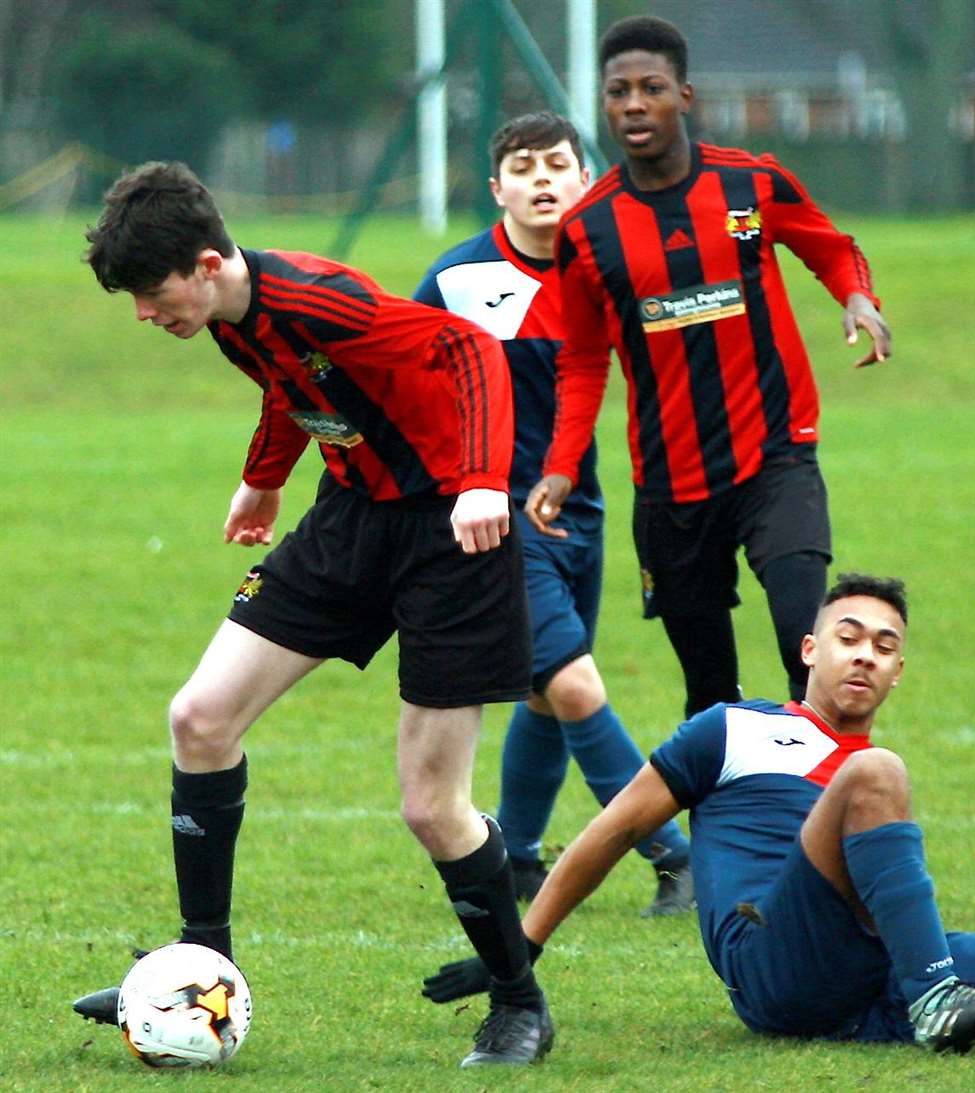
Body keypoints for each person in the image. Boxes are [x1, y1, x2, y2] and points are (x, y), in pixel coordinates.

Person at [70, 161, 554, 1067]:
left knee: (431, 804)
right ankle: (201, 962)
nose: (145, 312)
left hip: (455, 532)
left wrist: (488, 480)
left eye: (151, 292)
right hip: (349, 521)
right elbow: (292, 384)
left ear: (208, 264)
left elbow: (469, 352)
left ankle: (520, 1002)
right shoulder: (229, 314)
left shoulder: (324, 299)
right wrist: (264, 478)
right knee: (200, 718)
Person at [420, 573, 975, 1052]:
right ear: (809, 650)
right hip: (774, 963)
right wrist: (518, 951)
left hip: (867, 964)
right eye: (848, 637)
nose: (864, 655)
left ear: (897, 671)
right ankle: (936, 1001)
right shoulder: (735, 729)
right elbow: (615, 829)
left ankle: (916, 1004)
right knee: (878, 771)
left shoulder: (869, 782)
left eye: (883, 646)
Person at [525, 16, 893, 719]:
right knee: (709, 696)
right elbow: (580, 360)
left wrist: (858, 299)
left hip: (775, 461)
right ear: (604, 104)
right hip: (670, 486)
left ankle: (823, 825)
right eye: (618, 92)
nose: (634, 104)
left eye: (651, 88)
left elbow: (831, 246)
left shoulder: (749, 186)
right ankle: (723, 832)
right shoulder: (586, 229)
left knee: (805, 649)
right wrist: (563, 463)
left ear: (684, 97)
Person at [414, 111, 693, 916]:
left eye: (558, 165)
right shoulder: (457, 281)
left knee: (543, 693)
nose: (542, 179)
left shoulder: (610, 272)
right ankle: (676, 856)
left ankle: (520, 857)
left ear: (586, 180)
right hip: (495, 517)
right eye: (523, 166)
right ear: (497, 187)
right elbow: (401, 372)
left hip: (583, 508)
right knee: (571, 685)